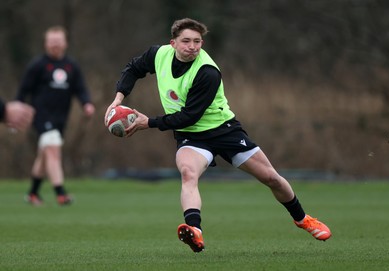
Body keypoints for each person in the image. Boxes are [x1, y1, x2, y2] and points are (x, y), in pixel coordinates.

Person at [104, 18, 331, 252]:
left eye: (197, 42)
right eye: (186, 41)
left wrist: (148, 122)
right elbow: (134, 68)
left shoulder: (207, 72)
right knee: (188, 173)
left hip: (224, 131)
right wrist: (118, 99)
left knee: (271, 178)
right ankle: (195, 231)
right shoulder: (158, 54)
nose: (192, 46)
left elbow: (188, 116)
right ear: (173, 43)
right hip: (192, 137)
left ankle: (303, 219)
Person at [16, 26, 95, 206]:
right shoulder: (37, 65)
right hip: (41, 116)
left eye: (58, 42)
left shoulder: (71, 66)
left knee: (44, 156)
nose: (55, 45)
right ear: (45, 44)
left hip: (61, 118)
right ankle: (60, 193)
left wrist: (86, 104)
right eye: (51, 42)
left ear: (65, 43)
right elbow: (23, 90)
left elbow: (80, 88)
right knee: (52, 149)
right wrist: (16, 113)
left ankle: (33, 193)